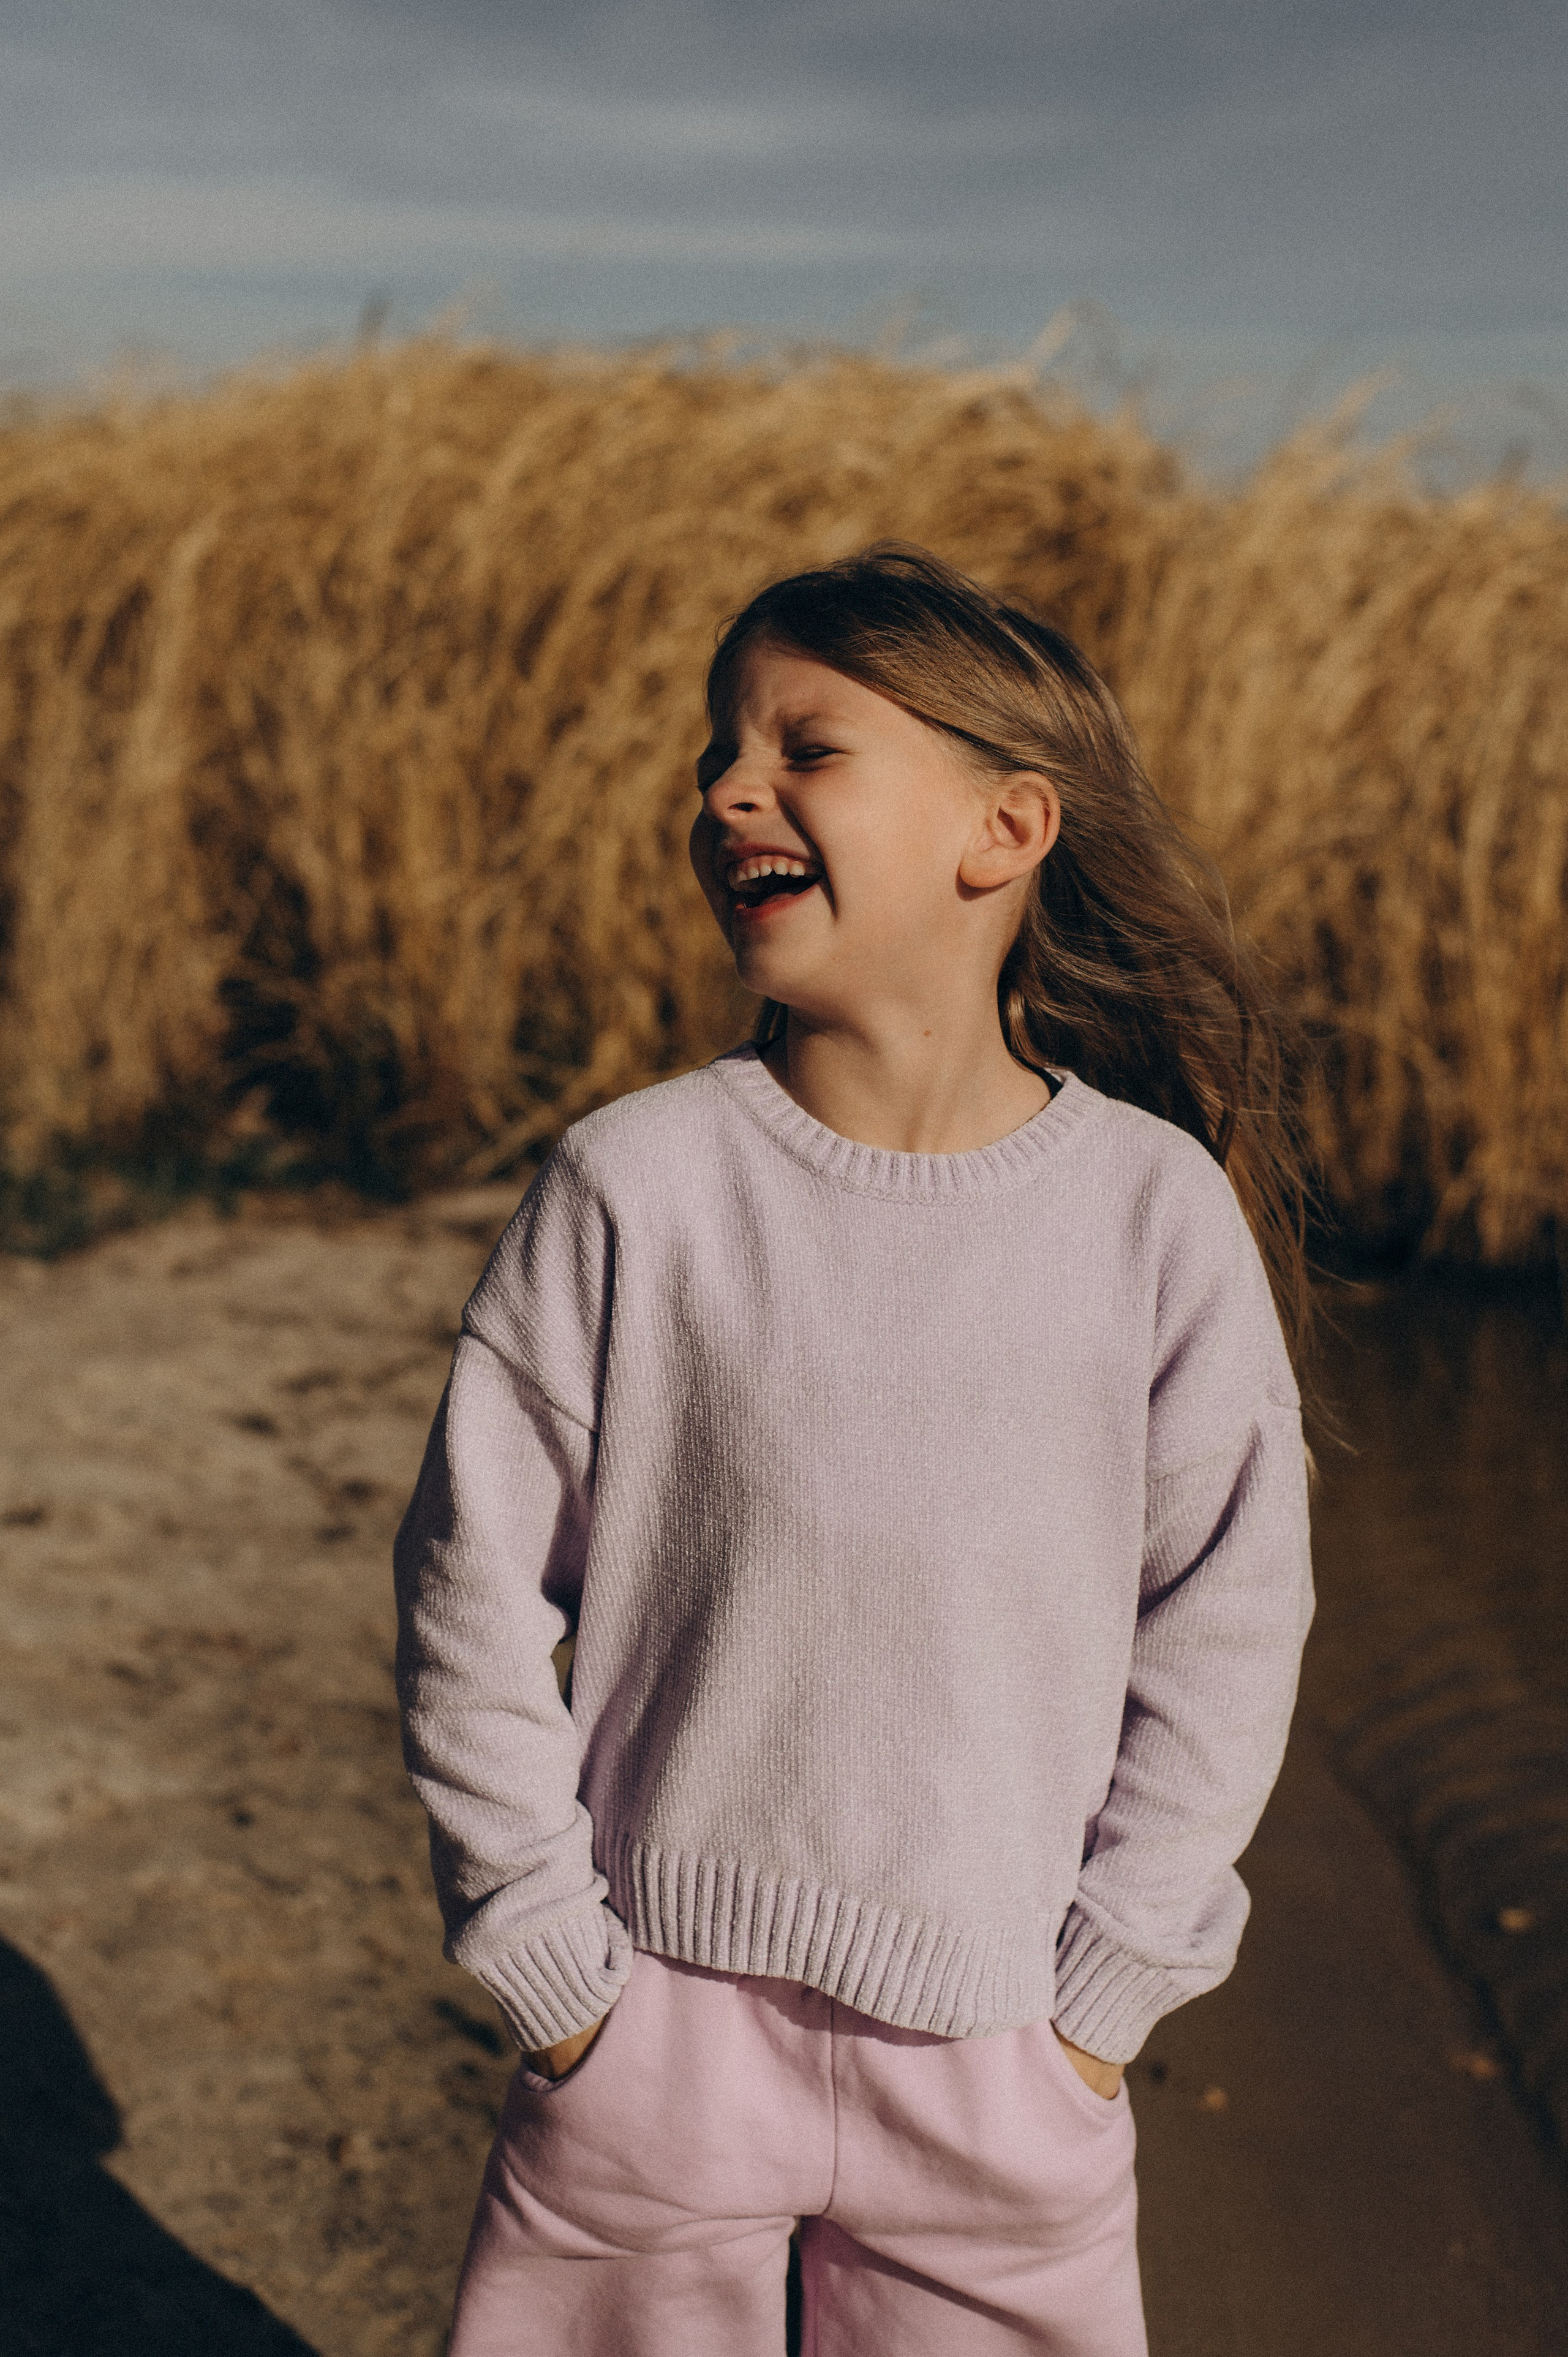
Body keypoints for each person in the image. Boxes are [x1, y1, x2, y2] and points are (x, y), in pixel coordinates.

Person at [394, 545, 1315, 2356]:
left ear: (1005, 829)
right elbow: (472, 1592)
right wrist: (557, 1976)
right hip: (648, 2044)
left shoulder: (1151, 1214)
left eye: (804, 747)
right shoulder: (635, 1185)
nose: (727, 789)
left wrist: (1095, 2010)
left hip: (1003, 2073)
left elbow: (1228, 1622)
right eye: (717, 753)